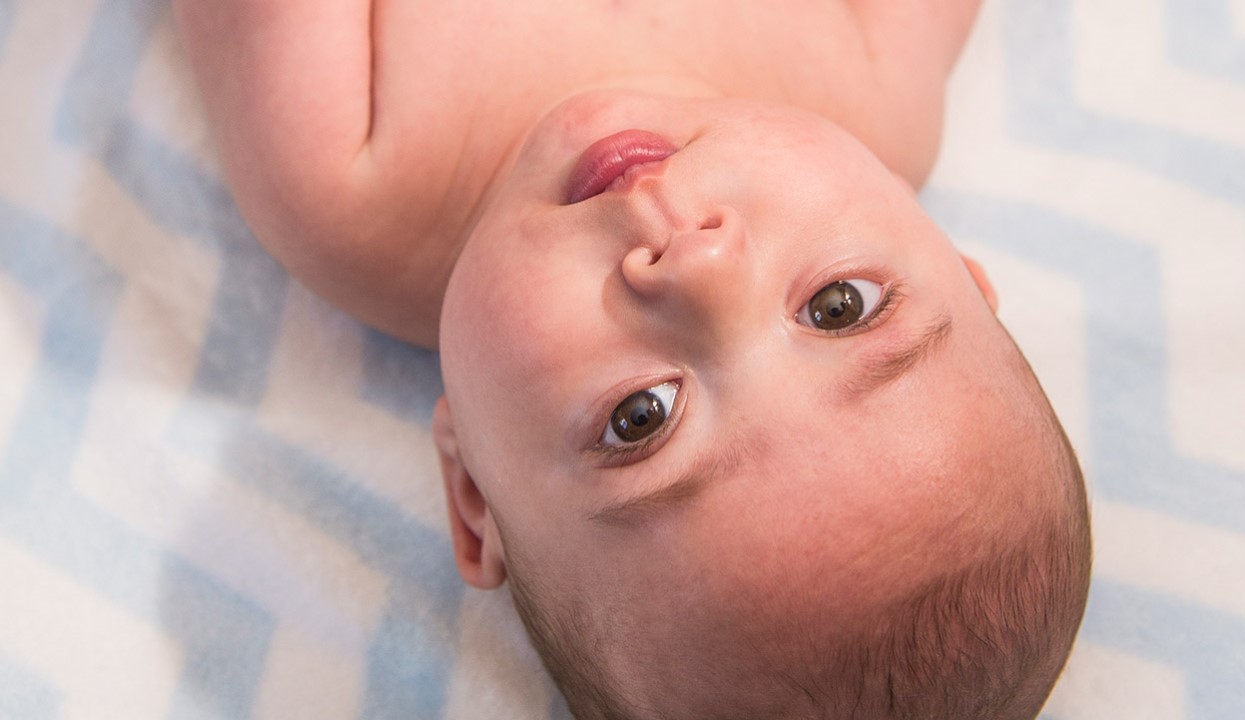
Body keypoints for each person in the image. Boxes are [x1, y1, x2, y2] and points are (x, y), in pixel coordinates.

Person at [175, 1, 1092, 718]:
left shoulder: (354, 180)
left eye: (641, 417)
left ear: (473, 493)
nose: (703, 267)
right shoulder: (880, 94)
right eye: (837, 308)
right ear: (957, 266)